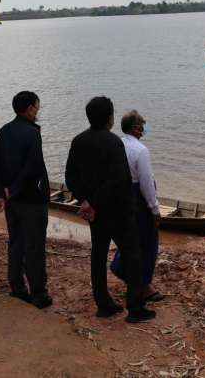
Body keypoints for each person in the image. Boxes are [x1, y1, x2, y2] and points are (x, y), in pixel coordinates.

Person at [65, 96, 156, 323]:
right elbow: (118, 180)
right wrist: (95, 202)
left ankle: (103, 305)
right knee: (132, 255)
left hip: (94, 213)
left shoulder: (78, 141)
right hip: (117, 210)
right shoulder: (114, 142)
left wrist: (85, 201)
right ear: (109, 118)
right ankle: (135, 308)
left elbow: (70, 176)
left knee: (98, 255)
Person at [0, 91, 52, 309]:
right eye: (37, 107)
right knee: (34, 247)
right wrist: (13, 191)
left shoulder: (4, 131)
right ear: (30, 109)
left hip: (12, 201)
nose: (38, 111)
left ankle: (17, 287)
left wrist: (1, 193)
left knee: (16, 243)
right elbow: (32, 167)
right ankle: (38, 294)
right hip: (31, 200)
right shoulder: (32, 133)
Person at [110, 110, 163, 302]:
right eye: (142, 123)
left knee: (129, 239)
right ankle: (143, 284)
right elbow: (146, 182)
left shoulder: (117, 144)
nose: (144, 126)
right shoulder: (141, 150)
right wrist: (154, 209)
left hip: (121, 198)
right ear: (135, 127)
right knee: (148, 242)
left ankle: (122, 269)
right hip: (137, 199)